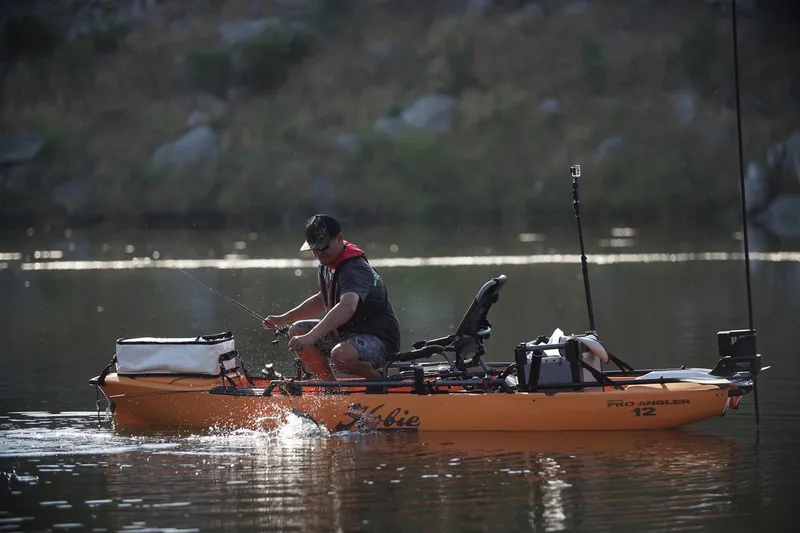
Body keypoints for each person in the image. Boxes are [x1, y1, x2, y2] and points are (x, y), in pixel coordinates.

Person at [263, 214, 401, 381]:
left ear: (339, 238)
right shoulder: (326, 263)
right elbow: (322, 299)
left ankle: (378, 381)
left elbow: (347, 307)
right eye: (314, 249)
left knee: (340, 356)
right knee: (296, 330)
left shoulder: (354, 269)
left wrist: (311, 336)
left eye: (323, 247)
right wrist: (283, 318)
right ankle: (330, 389)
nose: (318, 253)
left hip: (380, 340)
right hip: (347, 333)